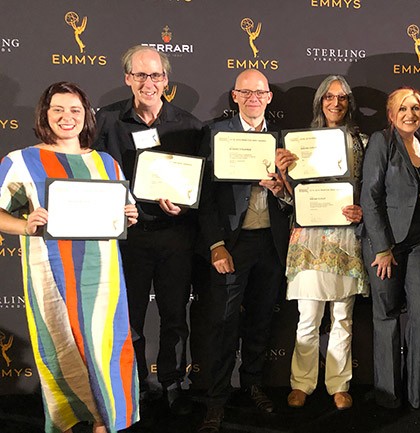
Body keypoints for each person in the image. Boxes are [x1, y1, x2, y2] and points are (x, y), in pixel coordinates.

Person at [0, 82, 140, 433]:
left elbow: (122, 213)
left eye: (75, 110)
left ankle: (105, 420)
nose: (67, 117)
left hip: (105, 275)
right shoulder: (20, 161)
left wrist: (129, 215)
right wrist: (24, 224)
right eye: (58, 110)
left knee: (105, 344)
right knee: (62, 344)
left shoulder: (105, 162)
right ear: (45, 115)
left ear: (86, 116)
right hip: (52, 276)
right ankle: (71, 417)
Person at [93, 45, 203, 415]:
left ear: (165, 80)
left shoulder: (188, 124)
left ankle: (173, 385)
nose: (148, 83)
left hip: (175, 234)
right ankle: (136, 386)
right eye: (140, 75)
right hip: (128, 237)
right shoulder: (106, 122)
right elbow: (92, 176)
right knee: (131, 318)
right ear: (127, 78)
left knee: (175, 315)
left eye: (155, 75)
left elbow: (199, 185)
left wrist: (184, 203)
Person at [196, 69, 291, 433]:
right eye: (245, 91)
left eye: (260, 92)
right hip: (231, 246)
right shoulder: (217, 134)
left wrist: (281, 188)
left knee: (261, 321)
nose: (253, 97)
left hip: (270, 244)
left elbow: (292, 199)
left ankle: (253, 386)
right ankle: (216, 401)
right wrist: (216, 245)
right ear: (234, 96)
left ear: (269, 98)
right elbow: (204, 197)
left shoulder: (282, 139)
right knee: (223, 324)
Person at [279, 75, 369, 410]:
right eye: (329, 98)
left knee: (343, 315)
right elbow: (293, 197)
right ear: (320, 102)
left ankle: (338, 384)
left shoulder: (364, 140)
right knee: (308, 315)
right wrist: (284, 179)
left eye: (342, 98)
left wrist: (362, 211)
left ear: (349, 103)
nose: (335, 103)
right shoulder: (301, 142)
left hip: (345, 233)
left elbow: (369, 190)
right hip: (310, 236)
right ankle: (302, 383)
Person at [361, 87, 420, 409]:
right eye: (403, 108)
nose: (410, 114)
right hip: (387, 246)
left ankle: (415, 392)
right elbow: (370, 196)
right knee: (387, 316)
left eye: (416, 107)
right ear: (391, 114)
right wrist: (382, 248)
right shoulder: (382, 142)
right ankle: (388, 393)